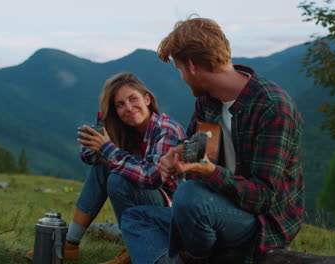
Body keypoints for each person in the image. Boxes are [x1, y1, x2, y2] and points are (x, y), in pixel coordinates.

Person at [120, 16, 305, 264]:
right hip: (212, 209)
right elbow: (200, 151)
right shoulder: (208, 101)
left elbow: (262, 197)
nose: (182, 78)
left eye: (180, 70)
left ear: (193, 66)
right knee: (135, 218)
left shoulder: (272, 107)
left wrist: (208, 172)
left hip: (262, 223)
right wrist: (177, 154)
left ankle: (189, 258)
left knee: (187, 198)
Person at [26, 72, 185, 263]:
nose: (129, 107)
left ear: (147, 99)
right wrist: (102, 125)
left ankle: (133, 250)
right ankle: (70, 243)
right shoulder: (128, 131)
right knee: (105, 165)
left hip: (174, 215)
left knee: (117, 175)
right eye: (120, 105)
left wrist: (108, 149)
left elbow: (151, 177)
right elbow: (88, 158)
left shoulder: (166, 129)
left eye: (133, 99)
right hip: (150, 208)